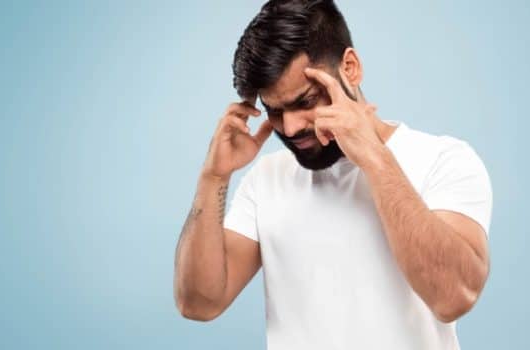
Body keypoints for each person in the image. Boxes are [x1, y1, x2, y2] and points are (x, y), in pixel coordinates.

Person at [173, 1, 492, 349]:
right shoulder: (267, 178)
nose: (291, 127)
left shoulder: (443, 159)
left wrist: (374, 158)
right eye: (274, 111)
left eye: (306, 101)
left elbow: (454, 297)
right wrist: (214, 178)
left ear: (350, 68)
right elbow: (198, 303)